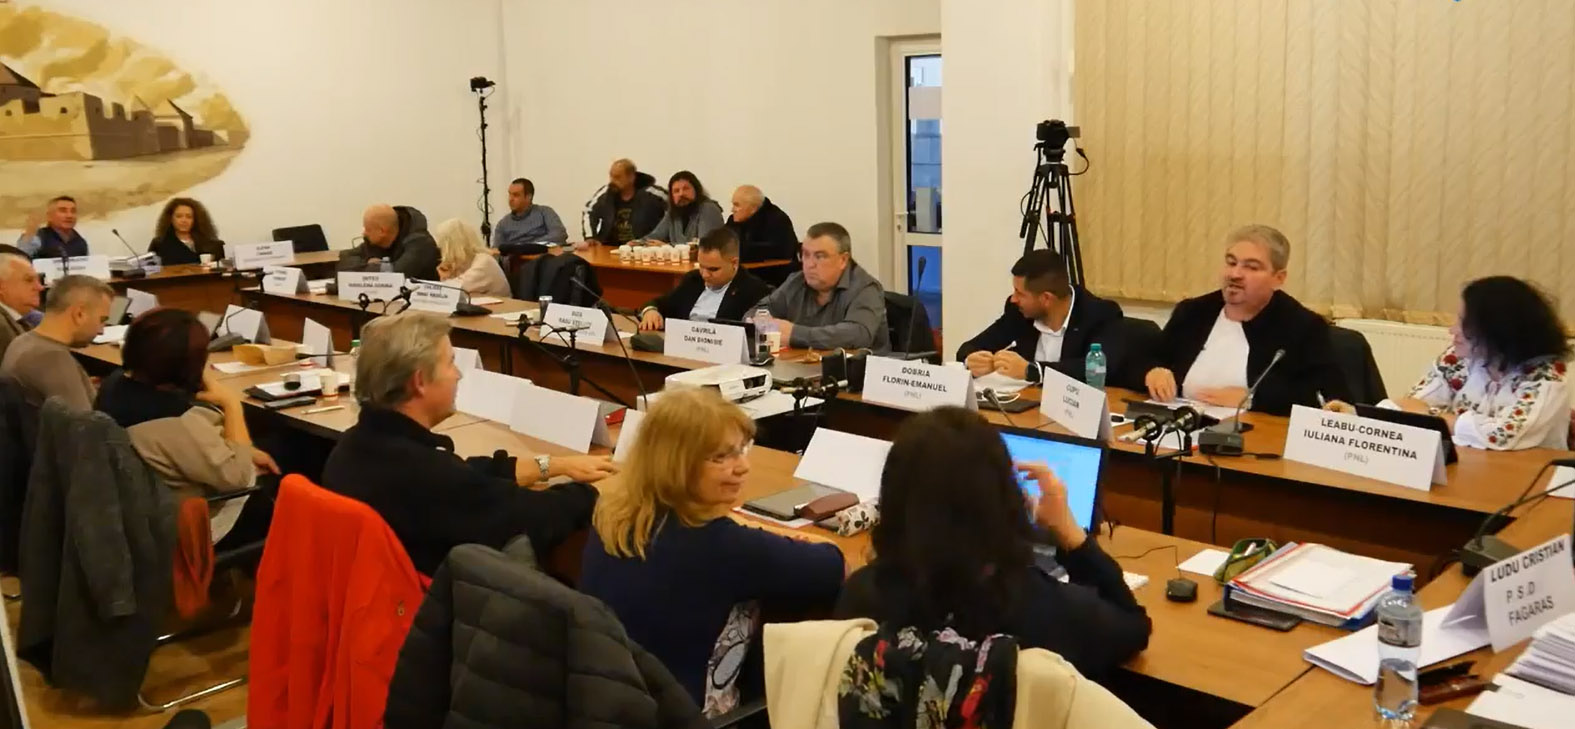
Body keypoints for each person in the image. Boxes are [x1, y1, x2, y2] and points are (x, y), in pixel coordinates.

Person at [579, 387, 844, 715]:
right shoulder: (722, 546)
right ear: (675, 465)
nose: (743, 467)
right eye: (721, 457)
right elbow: (833, 567)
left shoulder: (613, 516)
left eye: (742, 450)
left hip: (608, 709)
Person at [835, 407, 1151, 680]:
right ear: (1005, 498)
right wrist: (1072, 536)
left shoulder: (861, 597)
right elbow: (1133, 626)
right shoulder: (1039, 606)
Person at [321, 311, 616, 575]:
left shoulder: (353, 446)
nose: (458, 374)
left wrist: (553, 465)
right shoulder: (427, 476)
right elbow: (531, 515)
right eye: (450, 363)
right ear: (420, 381)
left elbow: (470, 475)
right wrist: (597, 491)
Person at [94, 309, 281, 547]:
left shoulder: (113, 385)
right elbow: (239, 477)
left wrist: (246, 450)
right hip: (187, 527)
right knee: (291, 456)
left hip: (137, 513)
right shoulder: (177, 421)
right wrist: (231, 403)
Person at [1329, 277, 1571, 451]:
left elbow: (1501, 436)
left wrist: (1431, 415)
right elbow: (1408, 407)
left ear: (1496, 331)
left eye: (1463, 323)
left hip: (1529, 481)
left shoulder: (1547, 376)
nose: (1452, 331)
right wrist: (1357, 415)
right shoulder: (1459, 359)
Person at [1142, 224, 1350, 415]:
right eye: (1231, 262)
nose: (1235, 274)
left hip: (1255, 434)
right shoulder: (1193, 312)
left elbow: (1324, 397)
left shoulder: (1303, 327)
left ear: (1278, 278)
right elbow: (1143, 358)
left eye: (1251, 267)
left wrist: (1254, 398)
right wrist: (1152, 371)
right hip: (1178, 422)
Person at [958, 248, 1126, 385]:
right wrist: (970, 359)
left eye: (1020, 293)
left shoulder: (1100, 314)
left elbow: (1099, 368)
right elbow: (972, 346)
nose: (1013, 299)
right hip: (1027, 405)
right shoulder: (1018, 311)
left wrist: (1032, 371)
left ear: (1046, 298)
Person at [753, 222, 890, 352]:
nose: (809, 264)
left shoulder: (866, 288)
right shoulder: (796, 281)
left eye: (820, 256)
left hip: (857, 367)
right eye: (805, 255)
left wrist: (795, 334)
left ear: (843, 260)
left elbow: (858, 334)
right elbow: (760, 310)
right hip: (801, 364)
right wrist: (759, 322)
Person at [0, 274, 111, 411]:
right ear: (79, 314)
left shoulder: (21, 342)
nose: (101, 331)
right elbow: (82, 422)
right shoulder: (52, 358)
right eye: (101, 320)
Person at [637, 227, 773, 330]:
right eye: (701, 266)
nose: (705, 274)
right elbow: (659, 303)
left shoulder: (753, 290)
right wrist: (650, 311)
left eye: (713, 269)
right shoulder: (693, 280)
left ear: (734, 263)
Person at [336, 204, 440, 280]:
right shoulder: (374, 241)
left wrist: (376, 266)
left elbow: (396, 275)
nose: (364, 233)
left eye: (368, 229)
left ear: (382, 231)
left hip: (420, 300)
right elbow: (345, 259)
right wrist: (373, 266)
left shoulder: (420, 244)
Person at [587, 159, 665, 245]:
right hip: (610, 246)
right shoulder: (606, 193)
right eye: (611, 176)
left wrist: (665, 240)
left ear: (631, 177)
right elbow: (588, 211)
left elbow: (673, 210)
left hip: (642, 247)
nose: (612, 181)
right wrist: (590, 237)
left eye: (617, 177)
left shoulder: (653, 193)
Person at [637, 170, 724, 245]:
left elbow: (706, 246)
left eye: (686, 189)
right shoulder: (673, 213)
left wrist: (667, 248)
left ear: (696, 190)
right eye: (676, 191)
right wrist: (637, 243)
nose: (681, 194)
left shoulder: (708, 209)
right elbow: (656, 236)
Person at [432, 218, 511, 298]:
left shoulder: (485, 262)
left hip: (503, 305)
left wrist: (442, 280)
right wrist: (444, 275)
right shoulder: (461, 263)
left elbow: (453, 289)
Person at [725, 185, 797, 263]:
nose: (732, 210)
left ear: (753, 208)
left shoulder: (778, 220)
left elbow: (782, 251)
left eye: (737, 205)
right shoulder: (733, 220)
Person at [491, 177, 568, 248]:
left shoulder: (545, 212)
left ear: (528, 197)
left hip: (544, 254)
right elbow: (497, 251)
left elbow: (559, 234)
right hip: (516, 257)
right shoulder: (503, 224)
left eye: (516, 195)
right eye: (510, 194)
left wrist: (529, 247)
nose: (510, 199)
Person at [147, 197, 225, 265]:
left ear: (196, 220)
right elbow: (150, 271)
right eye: (179, 216)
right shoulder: (159, 244)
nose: (184, 220)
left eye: (189, 217)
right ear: (170, 219)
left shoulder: (213, 245)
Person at [0, 247, 41, 362]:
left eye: (38, 280)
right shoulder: (2, 327)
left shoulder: (19, 318)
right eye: (29, 280)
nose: (39, 287)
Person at [16, 196, 89, 259]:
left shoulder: (80, 242)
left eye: (73, 211)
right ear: (49, 216)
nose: (69, 215)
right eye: (63, 211)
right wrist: (30, 233)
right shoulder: (39, 237)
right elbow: (22, 259)